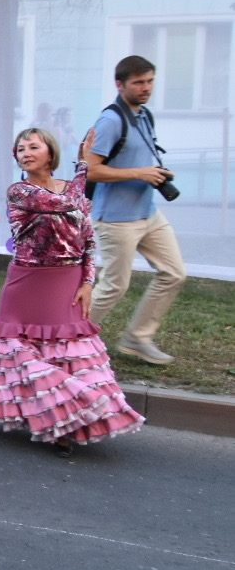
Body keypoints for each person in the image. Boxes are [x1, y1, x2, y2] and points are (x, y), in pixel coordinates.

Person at [0, 128, 144, 456]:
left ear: (49, 154)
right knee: (4, 351)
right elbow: (66, 205)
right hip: (26, 281)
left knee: (62, 351)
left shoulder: (71, 188)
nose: (25, 152)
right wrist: (84, 166)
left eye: (33, 146)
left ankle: (61, 423)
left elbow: (88, 238)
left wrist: (87, 282)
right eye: (20, 148)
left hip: (66, 282)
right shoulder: (20, 191)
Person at [81, 55, 186, 366]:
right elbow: (90, 171)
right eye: (138, 82)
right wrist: (140, 173)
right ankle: (72, 339)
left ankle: (137, 339)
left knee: (175, 274)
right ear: (120, 84)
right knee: (114, 286)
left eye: (150, 81)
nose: (146, 88)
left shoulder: (144, 115)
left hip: (148, 213)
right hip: (116, 219)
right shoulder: (111, 120)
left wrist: (156, 173)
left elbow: (135, 157)